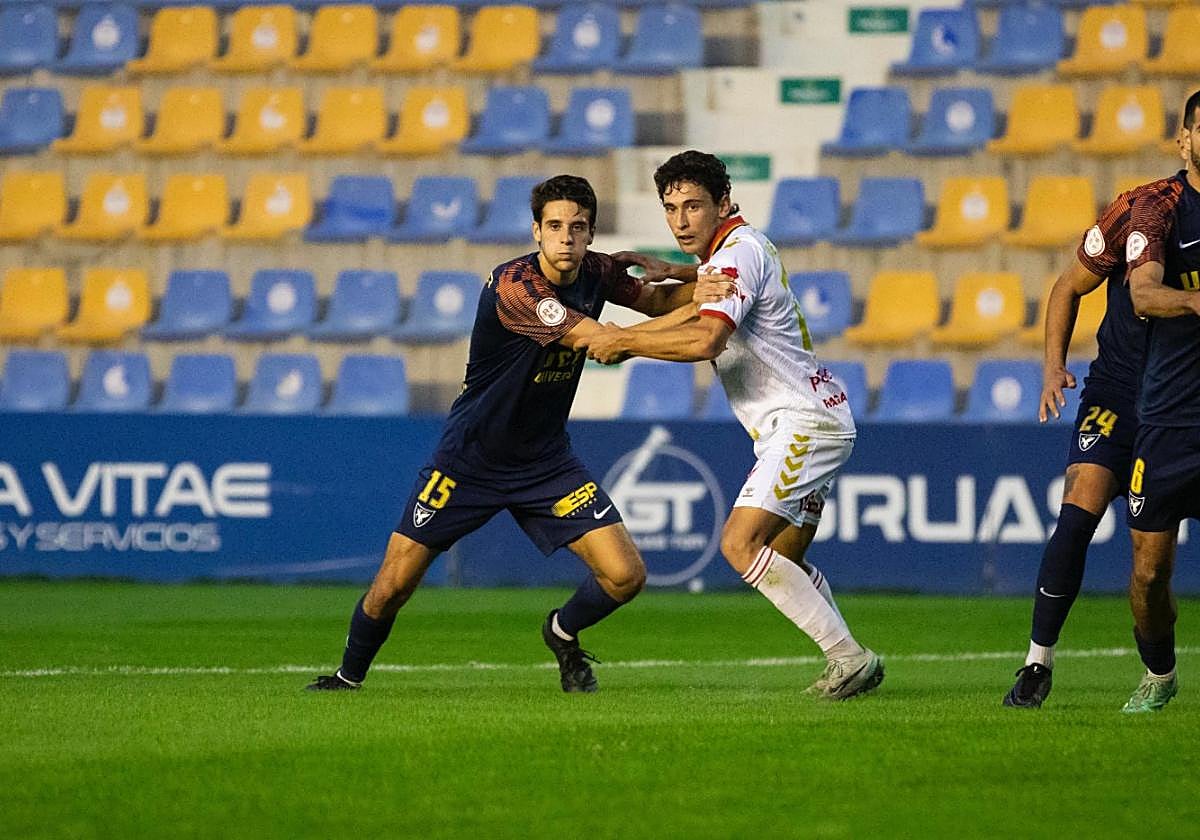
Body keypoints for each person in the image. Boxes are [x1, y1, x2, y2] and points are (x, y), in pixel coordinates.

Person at [306, 175, 701, 694]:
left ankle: (562, 631)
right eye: (555, 226)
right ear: (536, 231)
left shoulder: (597, 272)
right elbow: (601, 340)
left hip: (546, 464)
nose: (566, 237)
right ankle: (347, 677)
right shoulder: (516, 288)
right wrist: (703, 313)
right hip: (469, 460)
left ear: (590, 234)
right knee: (393, 583)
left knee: (626, 576)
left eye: (577, 227)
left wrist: (723, 284)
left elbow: (654, 302)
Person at [582, 150, 883, 700]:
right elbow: (694, 298)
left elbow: (706, 339)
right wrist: (678, 273)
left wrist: (622, 341)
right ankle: (851, 660)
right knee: (784, 557)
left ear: (724, 204)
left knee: (740, 544)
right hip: (818, 417)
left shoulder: (737, 256)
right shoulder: (738, 249)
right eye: (671, 207)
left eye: (694, 206)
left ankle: (850, 659)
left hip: (803, 424)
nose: (680, 220)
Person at [1119, 89, 1200, 713]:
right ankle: (1160, 673)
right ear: (1185, 139)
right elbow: (1144, 295)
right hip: (1169, 419)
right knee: (1149, 575)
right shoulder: (1163, 211)